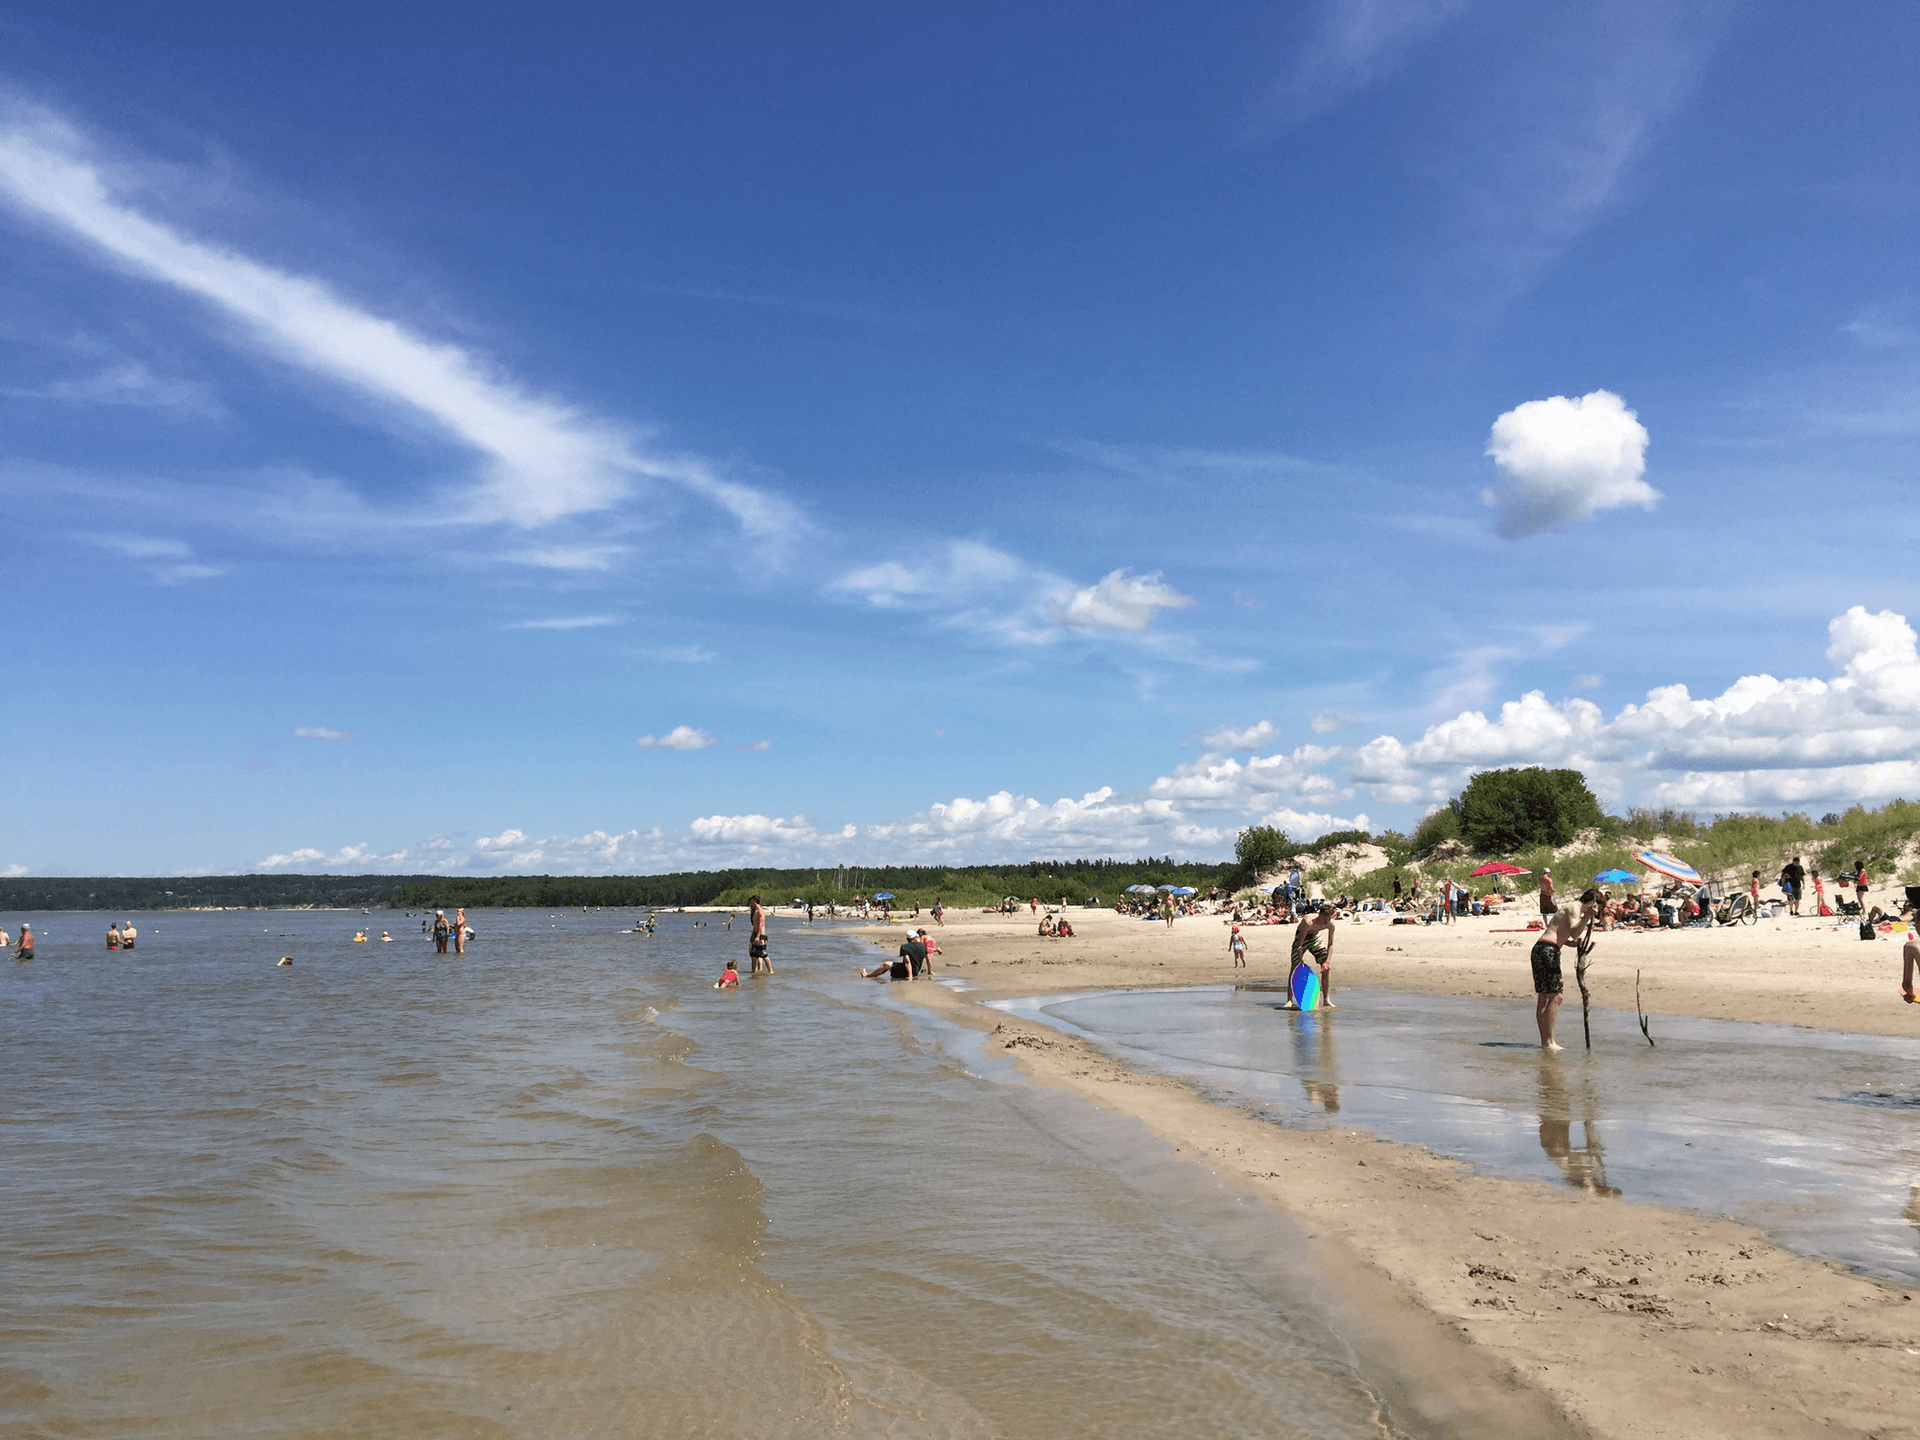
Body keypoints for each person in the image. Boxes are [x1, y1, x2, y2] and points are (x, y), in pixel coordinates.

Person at [1529, 889, 1603, 1052]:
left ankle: (1545, 1041)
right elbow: (1575, 932)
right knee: (1556, 995)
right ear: (1592, 903)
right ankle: (1549, 1042)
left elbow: (1558, 932)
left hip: (1541, 948)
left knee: (1544, 996)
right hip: (1548, 950)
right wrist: (1587, 916)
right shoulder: (1575, 908)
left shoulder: (1569, 907)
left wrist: (1571, 944)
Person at [1289, 902, 1338, 1008]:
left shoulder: (1330, 925)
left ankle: (1326, 1000)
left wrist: (1327, 962)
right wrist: (1300, 957)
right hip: (1302, 937)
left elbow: (1330, 944)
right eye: (1325, 918)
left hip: (1315, 937)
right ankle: (1289, 1000)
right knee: (1294, 966)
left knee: (1326, 968)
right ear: (1320, 914)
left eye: (1329, 918)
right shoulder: (1308, 922)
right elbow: (1300, 944)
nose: (1327, 921)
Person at [748, 895, 771, 974]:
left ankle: (770, 971)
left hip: (760, 934)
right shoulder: (755, 911)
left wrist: (758, 936)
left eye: (750, 901)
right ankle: (754, 972)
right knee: (754, 954)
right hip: (755, 933)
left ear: (754, 900)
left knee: (763, 954)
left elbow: (761, 924)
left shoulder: (760, 911)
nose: (749, 903)